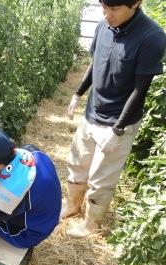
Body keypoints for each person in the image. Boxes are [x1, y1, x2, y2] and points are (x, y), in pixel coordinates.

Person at [63, 0, 166, 238]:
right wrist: (78, 94)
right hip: (92, 113)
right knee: (77, 164)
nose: (107, 14)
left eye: (115, 9)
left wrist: (117, 129)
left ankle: (91, 224)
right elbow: (95, 64)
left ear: (136, 3)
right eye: (104, 7)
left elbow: (141, 90)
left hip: (117, 122)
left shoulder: (151, 37)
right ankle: (72, 206)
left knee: (102, 177)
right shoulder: (103, 26)